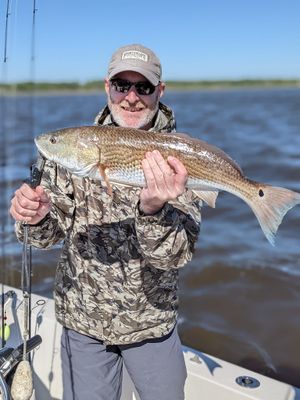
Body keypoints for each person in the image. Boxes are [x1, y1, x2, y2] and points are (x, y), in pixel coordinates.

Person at [10, 44, 202, 400]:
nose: (131, 97)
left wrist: (153, 209)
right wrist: (33, 216)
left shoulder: (179, 155)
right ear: (107, 87)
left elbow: (174, 256)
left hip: (151, 322)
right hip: (84, 322)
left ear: (160, 91)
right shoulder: (74, 149)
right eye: (121, 85)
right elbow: (44, 234)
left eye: (142, 87)